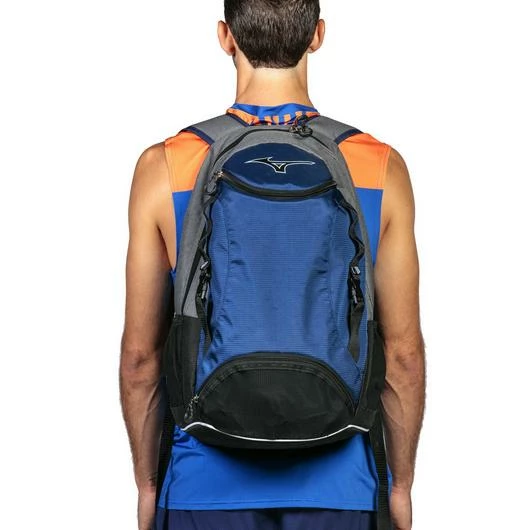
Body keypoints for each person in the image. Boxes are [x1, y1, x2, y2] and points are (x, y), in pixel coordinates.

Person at [119, 1, 426, 529]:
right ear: (317, 36)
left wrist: (147, 486)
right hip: (341, 487)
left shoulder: (165, 166)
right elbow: (402, 354)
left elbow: (140, 358)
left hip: (202, 485)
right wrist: (400, 487)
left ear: (225, 37)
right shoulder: (378, 167)